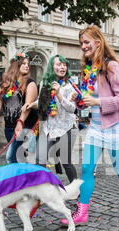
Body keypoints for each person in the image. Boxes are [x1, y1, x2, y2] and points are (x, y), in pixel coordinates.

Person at [60, 26, 119, 225]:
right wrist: (80, 99)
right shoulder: (89, 69)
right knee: (87, 169)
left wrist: (97, 102)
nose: (83, 46)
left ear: (98, 42)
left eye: (87, 42)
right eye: (81, 43)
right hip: (95, 126)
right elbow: (91, 98)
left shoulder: (111, 66)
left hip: (114, 126)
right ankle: (82, 212)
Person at [0, 53, 38, 164]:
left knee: (11, 157)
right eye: (23, 63)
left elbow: (27, 107)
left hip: (25, 127)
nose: (27, 66)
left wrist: (20, 123)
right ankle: (22, 179)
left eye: (28, 64)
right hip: (9, 128)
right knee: (19, 158)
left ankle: (21, 179)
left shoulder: (30, 83)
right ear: (16, 65)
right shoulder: (5, 85)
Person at [32, 54, 78, 182]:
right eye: (59, 64)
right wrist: (32, 104)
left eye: (64, 65)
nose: (62, 67)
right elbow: (42, 102)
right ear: (52, 67)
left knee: (66, 161)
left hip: (65, 128)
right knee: (39, 159)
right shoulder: (44, 83)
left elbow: (72, 108)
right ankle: (41, 188)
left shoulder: (70, 85)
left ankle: (76, 189)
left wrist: (58, 94)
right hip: (48, 128)